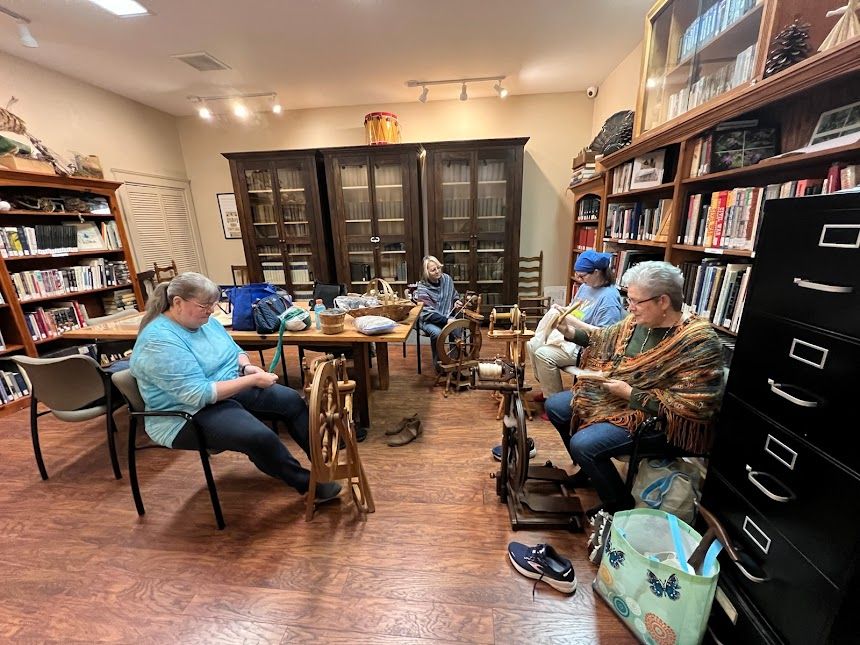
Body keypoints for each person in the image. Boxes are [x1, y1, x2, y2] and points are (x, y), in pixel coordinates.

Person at [129, 272, 341, 503]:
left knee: (290, 401)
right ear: (177, 302)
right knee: (258, 437)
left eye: (213, 304)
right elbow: (198, 394)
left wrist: (246, 367)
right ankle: (307, 484)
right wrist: (251, 381)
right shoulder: (159, 342)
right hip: (186, 413)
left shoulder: (205, 323)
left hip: (222, 391)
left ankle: (322, 464)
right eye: (204, 306)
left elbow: (234, 351)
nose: (211, 311)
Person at [544, 261, 723, 514]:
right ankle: (591, 472)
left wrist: (630, 393)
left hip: (664, 423)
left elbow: (695, 407)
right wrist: (569, 331)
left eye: (636, 301)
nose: (630, 308)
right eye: (629, 300)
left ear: (663, 301)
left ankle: (620, 507)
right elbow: (602, 338)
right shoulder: (638, 323)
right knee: (556, 406)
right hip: (622, 400)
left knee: (585, 444)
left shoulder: (698, 342)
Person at [527, 250, 624, 401]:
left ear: (596, 272)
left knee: (543, 354)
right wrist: (563, 310)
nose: (579, 279)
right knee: (533, 344)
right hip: (571, 337)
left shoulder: (609, 299)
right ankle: (548, 389)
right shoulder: (586, 287)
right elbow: (577, 311)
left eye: (582, 276)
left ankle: (553, 399)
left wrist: (572, 321)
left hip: (587, 347)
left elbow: (606, 336)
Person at [413, 255, 464, 372]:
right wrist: (446, 321)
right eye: (433, 270)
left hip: (447, 315)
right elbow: (427, 312)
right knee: (437, 333)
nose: (437, 271)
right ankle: (439, 365)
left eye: (438, 268)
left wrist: (456, 301)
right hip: (428, 320)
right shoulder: (422, 288)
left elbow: (454, 294)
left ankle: (455, 362)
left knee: (457, 328)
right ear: (426, 273)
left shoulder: (447, 279)